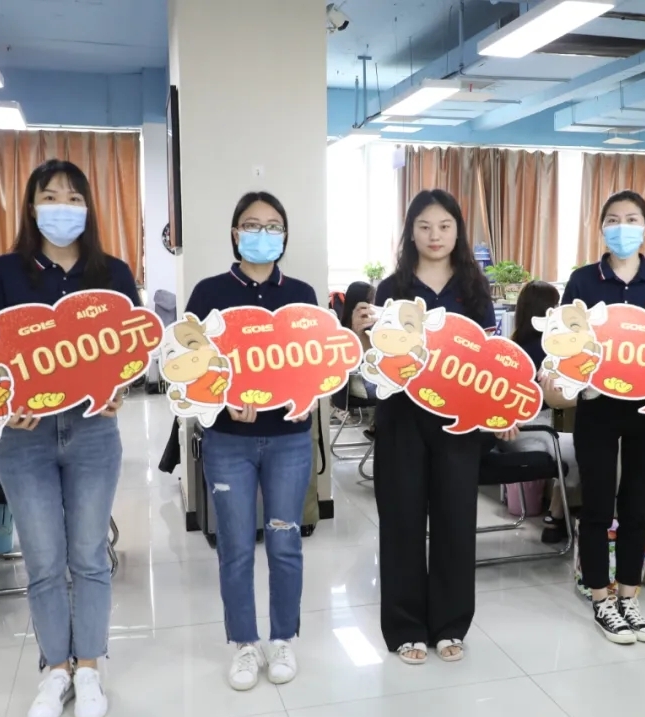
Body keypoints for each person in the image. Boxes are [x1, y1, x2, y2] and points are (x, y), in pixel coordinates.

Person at [0, 159, 137, 717]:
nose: (62, 208)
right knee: (44, 558)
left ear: (88, 208)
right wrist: (4, 402)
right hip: (25, 439)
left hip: (93, 431)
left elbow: (131, 349)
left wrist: (121, 388)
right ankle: (55, 670)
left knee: (89, 555)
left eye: (73, 198)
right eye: (50, 197)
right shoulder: (4, 272)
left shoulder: (113, 273)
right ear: (31, 206)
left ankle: (88, 667)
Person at [352, 189, 512, 665]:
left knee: (455, 523)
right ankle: (405, 627)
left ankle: (450, 624)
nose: (435, 235)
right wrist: (362, 334)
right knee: (401, 522)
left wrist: (502, 410)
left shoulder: (474, 289)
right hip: (401, 419)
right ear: (411, 232)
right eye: (424, 226)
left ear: (458, 231)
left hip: (458, 425)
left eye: (444, 226)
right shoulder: (392, 288)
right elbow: (377, 364)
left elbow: (490, 361)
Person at [544, 190, 645, 645]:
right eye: (613, 219)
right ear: (601, 228)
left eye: (632, 219)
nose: (622, 227)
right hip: (596, 408)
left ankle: (630, 597)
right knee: (596, 506)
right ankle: (601, 600)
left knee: (636, 505)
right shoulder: (583, 281)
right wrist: (562, 375)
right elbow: (564, 340)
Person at [184, 191, 317, 691]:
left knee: (284, 544)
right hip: (228, 442)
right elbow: (191, 368)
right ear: (235, 233)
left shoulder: (301, 294)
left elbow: (314, 364)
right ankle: (244, 643)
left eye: (273, 225)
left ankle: (282, 638)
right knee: (236, 548)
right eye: (252, 225)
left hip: (289, 440)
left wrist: (307, 397)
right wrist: (222, 402)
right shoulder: (209, 293)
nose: (263, 234)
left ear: (285, 234)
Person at [506, 280, 580, 544]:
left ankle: (556, 515)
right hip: (531, 431)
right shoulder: (548, 349)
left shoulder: (514, 343)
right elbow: (557, 399)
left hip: (506, 435)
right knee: (583, 448)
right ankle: (556, 516)